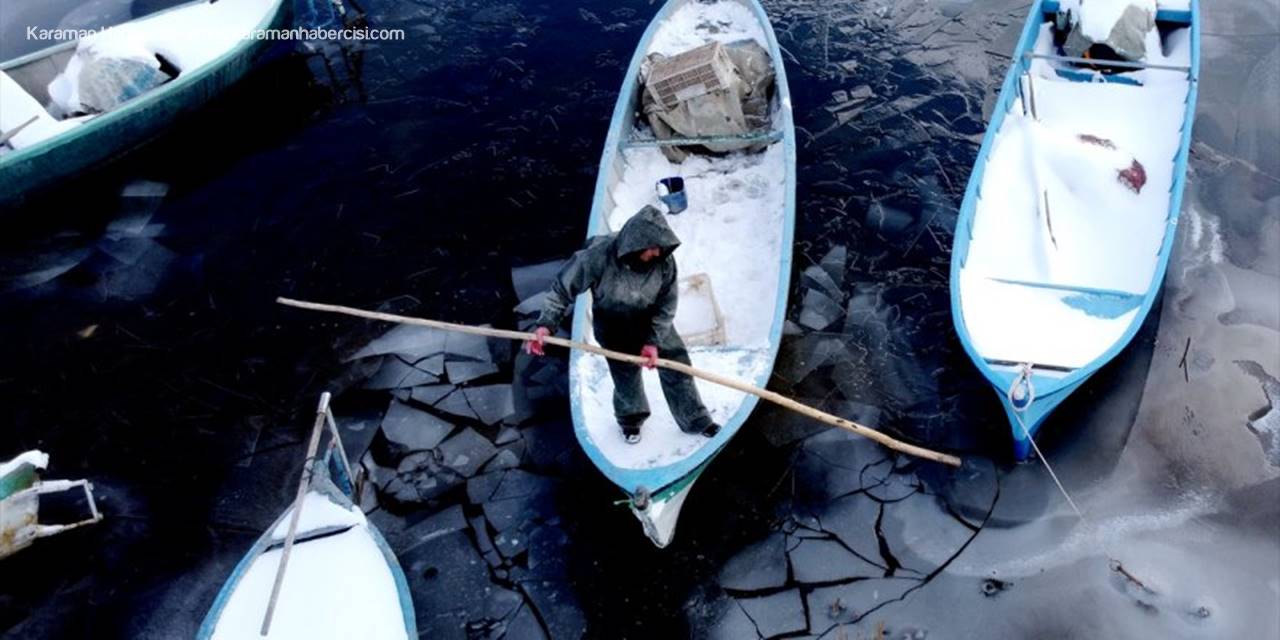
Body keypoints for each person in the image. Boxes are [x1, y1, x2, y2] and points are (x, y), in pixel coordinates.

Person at [524, 205, 720, 444]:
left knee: (678, 367)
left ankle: (695, 419)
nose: (657, 253)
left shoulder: (665, 262)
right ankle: (631, 421)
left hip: (653, 323)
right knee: (626, 377)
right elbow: (561, 291)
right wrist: (545, 325)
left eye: (660, 247)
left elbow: (667, 305)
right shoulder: (596, 257)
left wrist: (652, 341)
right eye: (652, 248)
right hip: (614, 325)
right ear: (635, 244)